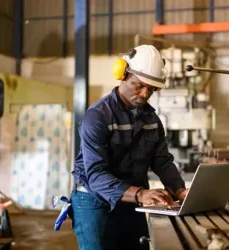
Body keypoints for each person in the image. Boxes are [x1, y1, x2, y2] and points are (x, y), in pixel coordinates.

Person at [70, 44, 188, 250]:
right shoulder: (97, 116)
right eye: (138, 85)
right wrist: (140, 194)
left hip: (132, 198)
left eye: (151, 89)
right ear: (122, 74)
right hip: (94, 200)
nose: (144, 94)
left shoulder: (151, 119)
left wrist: (180, 191)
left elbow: (162, 161)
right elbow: (96, 175)